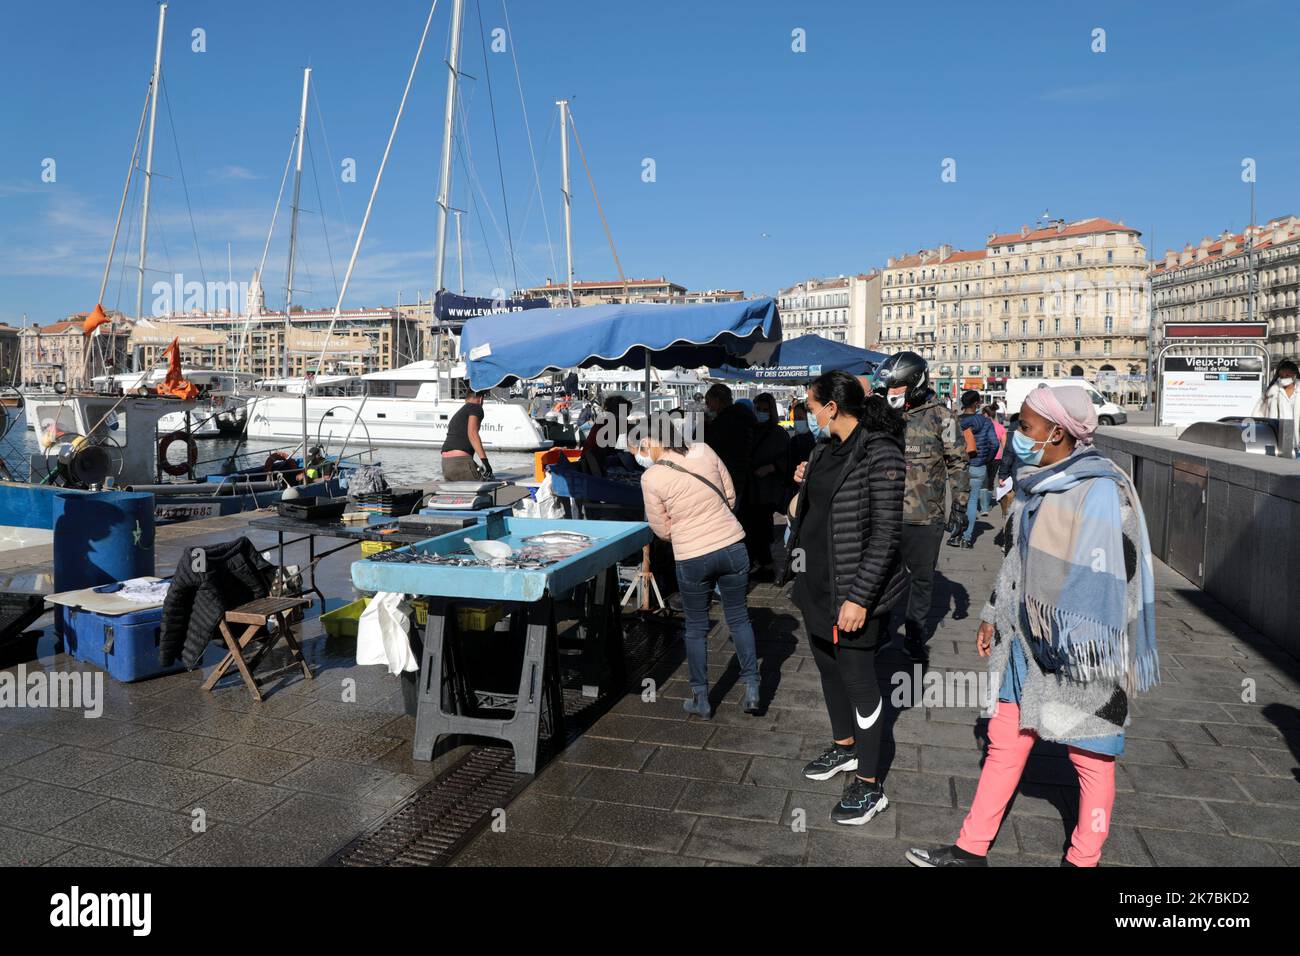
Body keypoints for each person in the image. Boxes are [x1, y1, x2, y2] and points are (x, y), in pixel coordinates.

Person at [906, 385, 1159, 867]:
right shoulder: (1037, 480)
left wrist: (1075, 639)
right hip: (1024, 640)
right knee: (1004, 740)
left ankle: (1083, 858)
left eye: (1026, 428)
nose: (1018, 436)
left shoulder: (1101, 490)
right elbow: (1019, 561)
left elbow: (1112, 579)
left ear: (1058, 433)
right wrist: (990, 613)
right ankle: (970, 848)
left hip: (1085, 646)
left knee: (1091, 756)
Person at [784, 371, 908, 826]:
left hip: (854, 592)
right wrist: (804, 481)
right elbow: (802, 513)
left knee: (860, 684)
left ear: (832, 407)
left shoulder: (880, 452)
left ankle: (872, 785)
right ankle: (845, 749)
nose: (807, 412)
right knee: (828, 670)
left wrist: (859, 599)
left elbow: (886, 536)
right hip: (815, 585)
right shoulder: (821, 450)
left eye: (810, 405)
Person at [637, 412, 760, 718]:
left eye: (642, 445)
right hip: (731, 544)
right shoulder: (704, 451)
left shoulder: (651, 477)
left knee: (695, 628)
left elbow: (661, 530)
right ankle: (753, 689)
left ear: (653, 440)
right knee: (739, 618)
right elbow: (730, 496)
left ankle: (701, 698)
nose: (642, 452)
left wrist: (684, 530)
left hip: (692, 556)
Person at [874, 351, 968, 663]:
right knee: (882, 575)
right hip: (885, 515)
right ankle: (882, 629)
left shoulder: (943, 416)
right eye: (890, 388)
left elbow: (958, 463)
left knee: (922, 579)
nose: (892, 394)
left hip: (926, 518)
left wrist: (960, 505)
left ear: (915, 383)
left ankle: (914, 634)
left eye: (898, 388)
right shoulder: (883, 414)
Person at [742, 392, 790, 574]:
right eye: (758, 409)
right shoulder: (748, 430)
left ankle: (766, 563)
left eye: (765, 410)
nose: (761, 413)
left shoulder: (778, 433)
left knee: (762, 526)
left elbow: (787, 459)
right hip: (749, 486)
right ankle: (756, 561)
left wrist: (771, 467)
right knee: (749, 525)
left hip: (767, 489)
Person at [951, 389, 998, 548]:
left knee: (957, 501)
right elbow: (995, 443)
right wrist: (986, 458)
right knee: (972, 502)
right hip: (978, 466)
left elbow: (947, 443)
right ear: (977, 403)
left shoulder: (954, 420)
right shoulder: (986, 422)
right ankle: (967, 538)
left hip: (958, 466)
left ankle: (955, 535)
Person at [702, 383, 757, 493]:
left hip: (727, 475)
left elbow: (703, 444)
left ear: (717, 400)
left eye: (708, 402)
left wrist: (703, 424)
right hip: (744, 475)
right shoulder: (744, 416)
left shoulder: (722, 422)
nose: (707, 406)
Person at [441, 389, 492, 481]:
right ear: (480, 399)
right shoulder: (476, 407)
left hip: (446, 464)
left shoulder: (460, 412)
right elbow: (472, 433)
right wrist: (485, 462)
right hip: (460, 461)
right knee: (487, 484)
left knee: (459, 493)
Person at [1252, 358, 1300, 455]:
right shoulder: (1271, 393)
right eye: (1282, 375)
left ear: (1294, 376)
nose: (1284, 378)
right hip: (1275, 442)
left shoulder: (1298, 393)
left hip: (1297, 443)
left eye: (1287, 375)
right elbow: (1258, 415)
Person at [984, 404, 1007, 511]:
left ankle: (983, 503)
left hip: (982, 456)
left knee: (983, 479)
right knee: (991, 480)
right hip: (996, 457)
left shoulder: (981, 426)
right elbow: (1005, 446)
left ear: (985, 414)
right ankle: (987, 504)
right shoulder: (1000, 427)